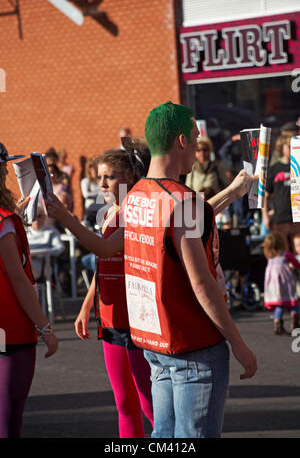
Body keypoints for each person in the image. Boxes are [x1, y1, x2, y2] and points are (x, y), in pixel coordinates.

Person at [46, 102, 257, 439]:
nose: (198, 144)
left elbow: (105, 248)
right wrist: (238, 343)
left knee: (163, 435)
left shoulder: (135, 197)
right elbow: (202, 283)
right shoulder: (183, 201)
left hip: (154, 344)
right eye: (195, 136)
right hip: (193, 345)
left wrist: (65, 218)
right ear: (182, 141)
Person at [75, 148, 154, 438]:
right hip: (110, 319)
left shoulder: (138, 212)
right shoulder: (108, 213)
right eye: (100, 178)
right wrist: (86, 304)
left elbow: (104, 249)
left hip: (136, 318)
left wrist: (64, 217)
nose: (103, 184)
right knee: (124, 404)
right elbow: (103, 261)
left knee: (149, 403)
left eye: (110, 177)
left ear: (130, 176)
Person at [0, 143, 58, 438]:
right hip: (9, 333)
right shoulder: (4, 222)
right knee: (8, 423)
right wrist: (45, 328)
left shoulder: (7, 220)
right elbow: (19, 282)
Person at [262, 121, 300, 250]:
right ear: (282, 147)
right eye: (289, 146)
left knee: (298, 251)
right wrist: (265, 216)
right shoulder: (274, 169)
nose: (291, 148)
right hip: (280, 217)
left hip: (297, 217)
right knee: (282, 252)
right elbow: (265, 195)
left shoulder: (298, 167)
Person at [263, 231, 300, 335]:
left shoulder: (270, 256)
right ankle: (295, 323)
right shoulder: (286, 254)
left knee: (280, 305)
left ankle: (277, 325)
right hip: (285, 283)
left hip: (273, 286)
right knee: (295, 303)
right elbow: (296, 263)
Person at [26, 206, 65, 280]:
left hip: (42, 264)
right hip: (26, 262)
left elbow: (60, 249)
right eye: (33, 216)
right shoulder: (25, 233)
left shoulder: (51, 232)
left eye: (39, 216)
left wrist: (43, 252)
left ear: (44, 217)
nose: (36, 219)